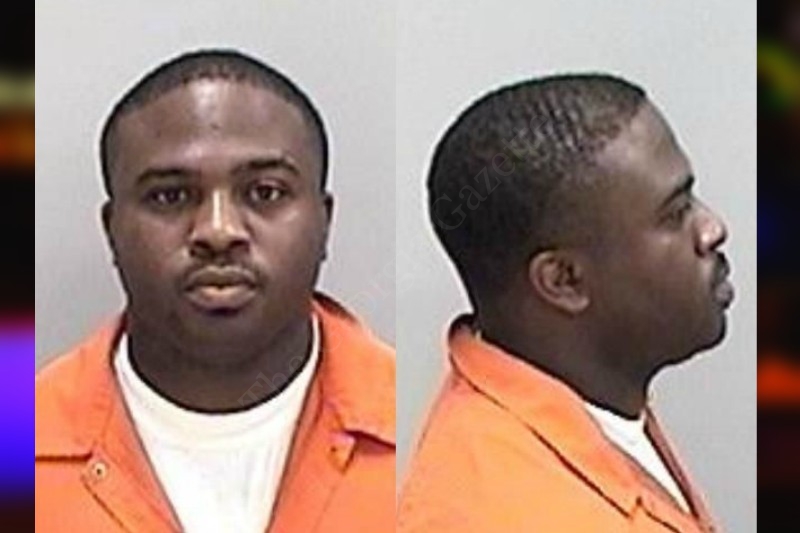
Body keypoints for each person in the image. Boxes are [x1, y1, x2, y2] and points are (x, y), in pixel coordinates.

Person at [35, 49, 395, 533]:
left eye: (265, 192)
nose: (218, 231)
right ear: (111, 230)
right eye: (170, 196)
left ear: (324, 222)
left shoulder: (417, 438)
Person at [398, 74, 732, 532]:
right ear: (564, 280)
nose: (713, 229)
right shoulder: (500, 512)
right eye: (675, 214)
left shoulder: (598, 398)